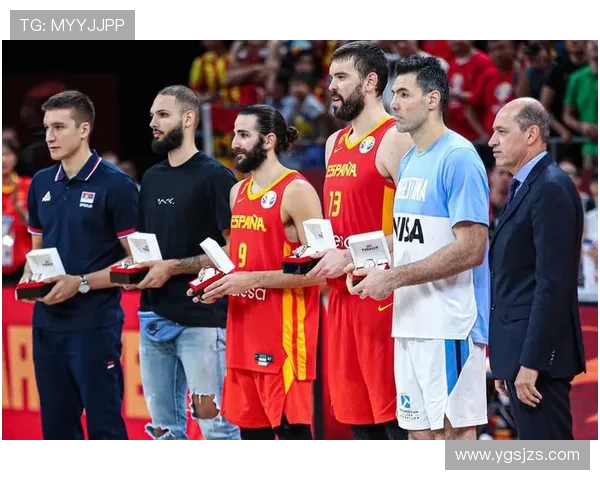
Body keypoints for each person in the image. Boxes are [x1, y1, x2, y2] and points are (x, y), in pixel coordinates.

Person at [345, 55, 490, 440]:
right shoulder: (410, 159)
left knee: (451, 437)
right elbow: (407, 236)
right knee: (417, 436)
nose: (393, 103)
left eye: (404, 94)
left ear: (432, 99)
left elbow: (472, 248)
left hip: (448, 324)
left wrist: (394, 279)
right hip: (409, 320)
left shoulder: (458, 158)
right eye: (393, 94)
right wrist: (361, 259)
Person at [189, 104, 324, 440]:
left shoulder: (297, 190)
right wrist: (213, 282)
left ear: (268, 140)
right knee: (252, 439)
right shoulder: (237, 192)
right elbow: (240, 255)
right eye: (235, 133)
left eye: (243, 135)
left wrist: (252, 279)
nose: (234, 142)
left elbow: (322, 270)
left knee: (292, 440)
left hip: (283, 341)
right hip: (242, 336)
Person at [304, 41, 413, 440]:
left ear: (370, 82)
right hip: (341, 298)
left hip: (382, 298)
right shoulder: (334, 143)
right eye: (331, 77)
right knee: (358, 423)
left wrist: (349, 255)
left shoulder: (396, 138)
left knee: (393, 422)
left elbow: (414, 230)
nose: (331, 86)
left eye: (341, 77)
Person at [22, 90, 139, 439]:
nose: (49, 136)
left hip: (95, 326)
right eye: (46, 128)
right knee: (57, 431)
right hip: (46, 326)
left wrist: (81, 282)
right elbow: (36, 252)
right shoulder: (41, 182)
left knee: (105, 430)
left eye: (59, 127)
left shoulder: (117, 185)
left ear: (84, 129)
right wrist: (30, 280)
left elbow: (138, 260)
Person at [131, 85, 240, 440]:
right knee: (164, 431)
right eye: (152, 115)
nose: (153, 123)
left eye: (163, 115)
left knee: (216, 427)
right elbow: (149, 247)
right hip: (152, 318)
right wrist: (135, 266)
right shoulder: (151, 178)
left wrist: (174, 267)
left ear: (189, 118)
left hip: (202, 322)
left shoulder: (216, 177)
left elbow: (234, 250)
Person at [487, 97, 585, 440]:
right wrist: (508, 359)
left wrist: (531, 362)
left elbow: (552, 285)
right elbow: (519, 278)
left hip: (538, 363)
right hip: (522, 357)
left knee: (550, 459)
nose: (492, 141)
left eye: (502, 132)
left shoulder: (551, 187)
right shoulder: (527, 186)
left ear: (531, 134)